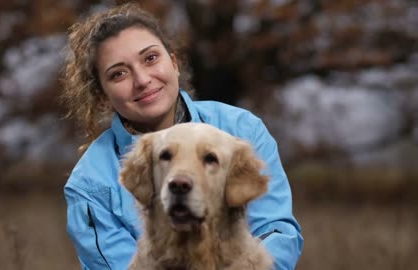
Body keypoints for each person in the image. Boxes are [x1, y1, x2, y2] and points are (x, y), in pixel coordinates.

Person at [62, 3, 303, 270]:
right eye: (119, 74)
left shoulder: (242, 129)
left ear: (174, 63)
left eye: (151, 58)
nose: (142, 79)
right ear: (103, 98)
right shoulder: (89, 184)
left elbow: (276, 234)